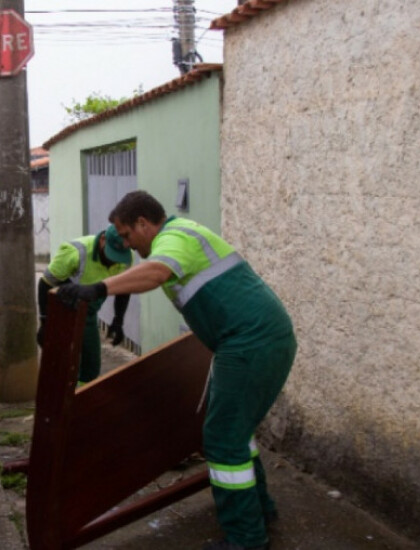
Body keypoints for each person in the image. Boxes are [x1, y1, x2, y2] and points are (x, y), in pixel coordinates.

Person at [57, 190, 296, 550]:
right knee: (235, 432)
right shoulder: (181, 234)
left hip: (250, 343)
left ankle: (246, 539)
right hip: (257, 340)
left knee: (222, 438)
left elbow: (154, 273)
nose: (126, 244)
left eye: (126, 234)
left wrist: (98, 288)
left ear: (143, 223)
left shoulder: (175, 237)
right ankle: (259, 512)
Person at [38, 225, 132, 385]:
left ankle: (79, 400)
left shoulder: (124, 259)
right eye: (111, 255)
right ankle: (61, 402)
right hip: (63, 313)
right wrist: (45, 321)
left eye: (118, 257)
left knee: (91, 367)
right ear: (102, 239)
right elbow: (45, 284)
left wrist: (118, 320)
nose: (114, 261)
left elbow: (124, 289)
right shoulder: (75, 252)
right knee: (63, 365)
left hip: (87, 314)